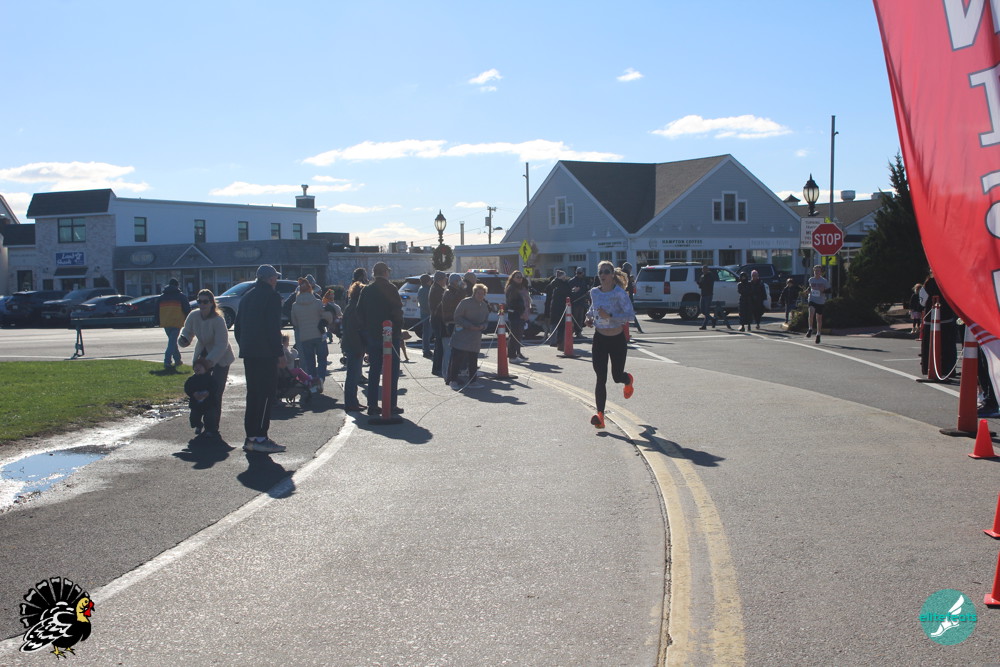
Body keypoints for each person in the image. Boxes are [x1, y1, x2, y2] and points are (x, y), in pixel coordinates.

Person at [233, 264, 285, 453]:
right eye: (275, 277)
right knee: (266, 395)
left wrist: (245, 345)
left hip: (249, 353)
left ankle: (251, 437)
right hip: (265, 353)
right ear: (270, 279)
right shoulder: (271, 297)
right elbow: (273, 328)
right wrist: (279, 353)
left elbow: (238, 328)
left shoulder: (247, 297)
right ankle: (261, 437)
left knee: (253, 395)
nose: (276, 280)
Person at [585, 260, 636, 429]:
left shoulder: (619, 293)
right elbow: (593, 309)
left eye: (606, 271)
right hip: (600, 339)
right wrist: (589, 318)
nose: (603, 275)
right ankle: (600, 416)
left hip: (616, 339)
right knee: (601, 378)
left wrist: (610, 315)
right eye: (600, 272)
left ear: (613, 274)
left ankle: (627, 380)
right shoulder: (594, 292)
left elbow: (629, 315)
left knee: (616, 376)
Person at [177, 288, 234, 438]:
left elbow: (222, 344)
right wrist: (184, 340)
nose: (202, 305)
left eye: (205, 302)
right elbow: (187, 332)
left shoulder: (218, 320)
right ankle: (198, 421)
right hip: (202, 356)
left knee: (215, 391)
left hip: (221, 358)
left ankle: (212, 426)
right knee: (199, 389)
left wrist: (210, 361)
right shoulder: (194, 315)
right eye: (199, 301)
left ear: (211, 303)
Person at [357, 261, 404, 416]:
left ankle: (372, 405)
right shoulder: (391, 288)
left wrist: (366, 332)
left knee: (374, 370)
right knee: (392, 371)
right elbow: (398, 312)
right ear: (385, 272)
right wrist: (397, 330)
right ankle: (391, 404)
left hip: (373, 335)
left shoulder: (367, 290)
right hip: (390, 335)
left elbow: (360, 312)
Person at [290, 278, 332, 393]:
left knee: (310, 361)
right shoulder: (317, 302)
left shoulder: (295, 305)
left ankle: (313, 381)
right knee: (322, 358)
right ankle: (321, 378)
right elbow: (325, 315)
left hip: (305, 336)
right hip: (319, 334)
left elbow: (295, 322)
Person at [449, 283, 491, 390]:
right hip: (462, 336)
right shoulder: (465, 302)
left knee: (473, 360)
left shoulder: (484, 305)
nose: (480, 295)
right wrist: (469, 325)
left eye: (483, 294)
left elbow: (486, 321)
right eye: (479, 293)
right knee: (457, 359)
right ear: (474, 293)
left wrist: (483, 326)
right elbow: (457, 317)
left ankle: (473, 381)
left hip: (475, 337)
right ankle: (453, 381)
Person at [339, 281, 366, 411]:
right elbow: (353, 330)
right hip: (354, 345)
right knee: (352, 376)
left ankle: (353, 401)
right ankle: (350, 403)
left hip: (350, 344)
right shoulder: (355, 308)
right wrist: (359, 348)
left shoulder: (351, 306)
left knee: (353, 375)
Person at [157, 278, 190, 370]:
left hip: (165, 322)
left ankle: (178, 360)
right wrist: (189, 320)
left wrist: (157, 321)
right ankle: (167, 361)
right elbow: (187, 309)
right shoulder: (181, 296)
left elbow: (156, 310)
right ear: (177, 285)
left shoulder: (161, 297)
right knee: (172, 342)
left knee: (172, 342)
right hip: (177, 322)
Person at [440, 273, 466, 383]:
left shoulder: (453, 292)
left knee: (454, 351)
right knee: (449, 351)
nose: (460, 282)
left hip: (454, 323)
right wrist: (462, 290)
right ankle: (447, 375)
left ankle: (452, 374)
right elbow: (456, 302)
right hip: (449, 324)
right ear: (454, 282)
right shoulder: (448, 292)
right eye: (459, 280)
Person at [184, 358, 216, 436]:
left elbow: (215, 388)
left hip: (208, 403)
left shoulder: (210, 379)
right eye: (195, 367)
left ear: (206, 369)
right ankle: (198, 425)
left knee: (209, 418)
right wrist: (193, 393)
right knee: (194, 418)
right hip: (195, 403)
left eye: (200, 367)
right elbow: (187, 388)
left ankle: (209, 430)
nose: (197, 368)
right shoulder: (191, 379)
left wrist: (208, 393)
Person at [504, 271, 530, 361]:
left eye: (521, 277)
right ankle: (512, 356)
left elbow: (526, 301)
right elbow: (512, 303)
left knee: (519, 335)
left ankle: (517, 353)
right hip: (515, 314)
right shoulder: (511, 288)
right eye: (517, 277)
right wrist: (520, 312)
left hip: (522, 314)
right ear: (513, 278)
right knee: (514, 335)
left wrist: (525, 312)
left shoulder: (522, 287)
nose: (520, 279)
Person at [545, 270, 573, 350]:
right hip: (556, 307)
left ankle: (559, 342)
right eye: (563, 276)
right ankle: (554, 341)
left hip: (561, 306)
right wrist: (558, 278)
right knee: (555, 324)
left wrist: (573, 291)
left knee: (560, 325)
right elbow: (551, 287)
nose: (565, 278)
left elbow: (568, 293)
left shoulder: (564, 284)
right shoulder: (556, 283)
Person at [806, 265, 832, 344]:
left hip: (820, 301)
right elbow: (810, 287)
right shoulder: (811, 279)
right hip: (812, 299)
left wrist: (823, 291)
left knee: (819, 318)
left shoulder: (824, 281)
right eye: (815, 271)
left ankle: (818, 334)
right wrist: (807, 291)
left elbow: (829, 290)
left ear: (821, 272)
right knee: (811, 313)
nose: (816, 272)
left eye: (818, 271)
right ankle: (810, 329)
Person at [429, 271, 448, 376]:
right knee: (439, 345)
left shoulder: (436, 288)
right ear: (440, 279)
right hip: (438, 320)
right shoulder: (437, 290)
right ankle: (437, 368)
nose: (446, 280)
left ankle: (438, 367)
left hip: (436, 319)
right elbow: (440, 306)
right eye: (445, 278)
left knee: (439, 345)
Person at [621, 261, 643, 333]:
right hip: (627, 295)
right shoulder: (626, 274)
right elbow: (627, 286)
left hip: (623, 295)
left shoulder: (621, 273)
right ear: (629, 268)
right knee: (629, 310)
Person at [569, 267, 591, 338]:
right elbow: (569, 292)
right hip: (574, 302)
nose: (580, 274)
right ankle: (571, 332)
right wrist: (574, 292)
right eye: (578, 273)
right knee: (574, 318)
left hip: (581, 302)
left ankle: (578, 332)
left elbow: (585, 290)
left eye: (580, 273)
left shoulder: (583, 281)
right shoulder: (572, 281)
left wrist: (587, 294)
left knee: (580, 318)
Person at [417, 274, 433, 359]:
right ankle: (426, 350)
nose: (431, 281)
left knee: (428, 333)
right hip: (427, 314)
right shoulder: (424, 290)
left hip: (426, 313)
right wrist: (431, 311)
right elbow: (425, 304)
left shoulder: (424, 289)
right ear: (427, 281)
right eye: (430, 280)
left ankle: (427, 349)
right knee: (427, 333)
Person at [697, 265, 717, 330]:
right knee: (702, 310)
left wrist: (702, 284)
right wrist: (699, 284)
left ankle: (704, 325)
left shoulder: (710, 276)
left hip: (708, 295)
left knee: (706, 310)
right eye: (703, 269)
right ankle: (713, 319)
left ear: (707, 269)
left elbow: (709, 285)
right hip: (703, 294)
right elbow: (701, 286)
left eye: (705, 269)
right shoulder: (702, 276)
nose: (703, 270)